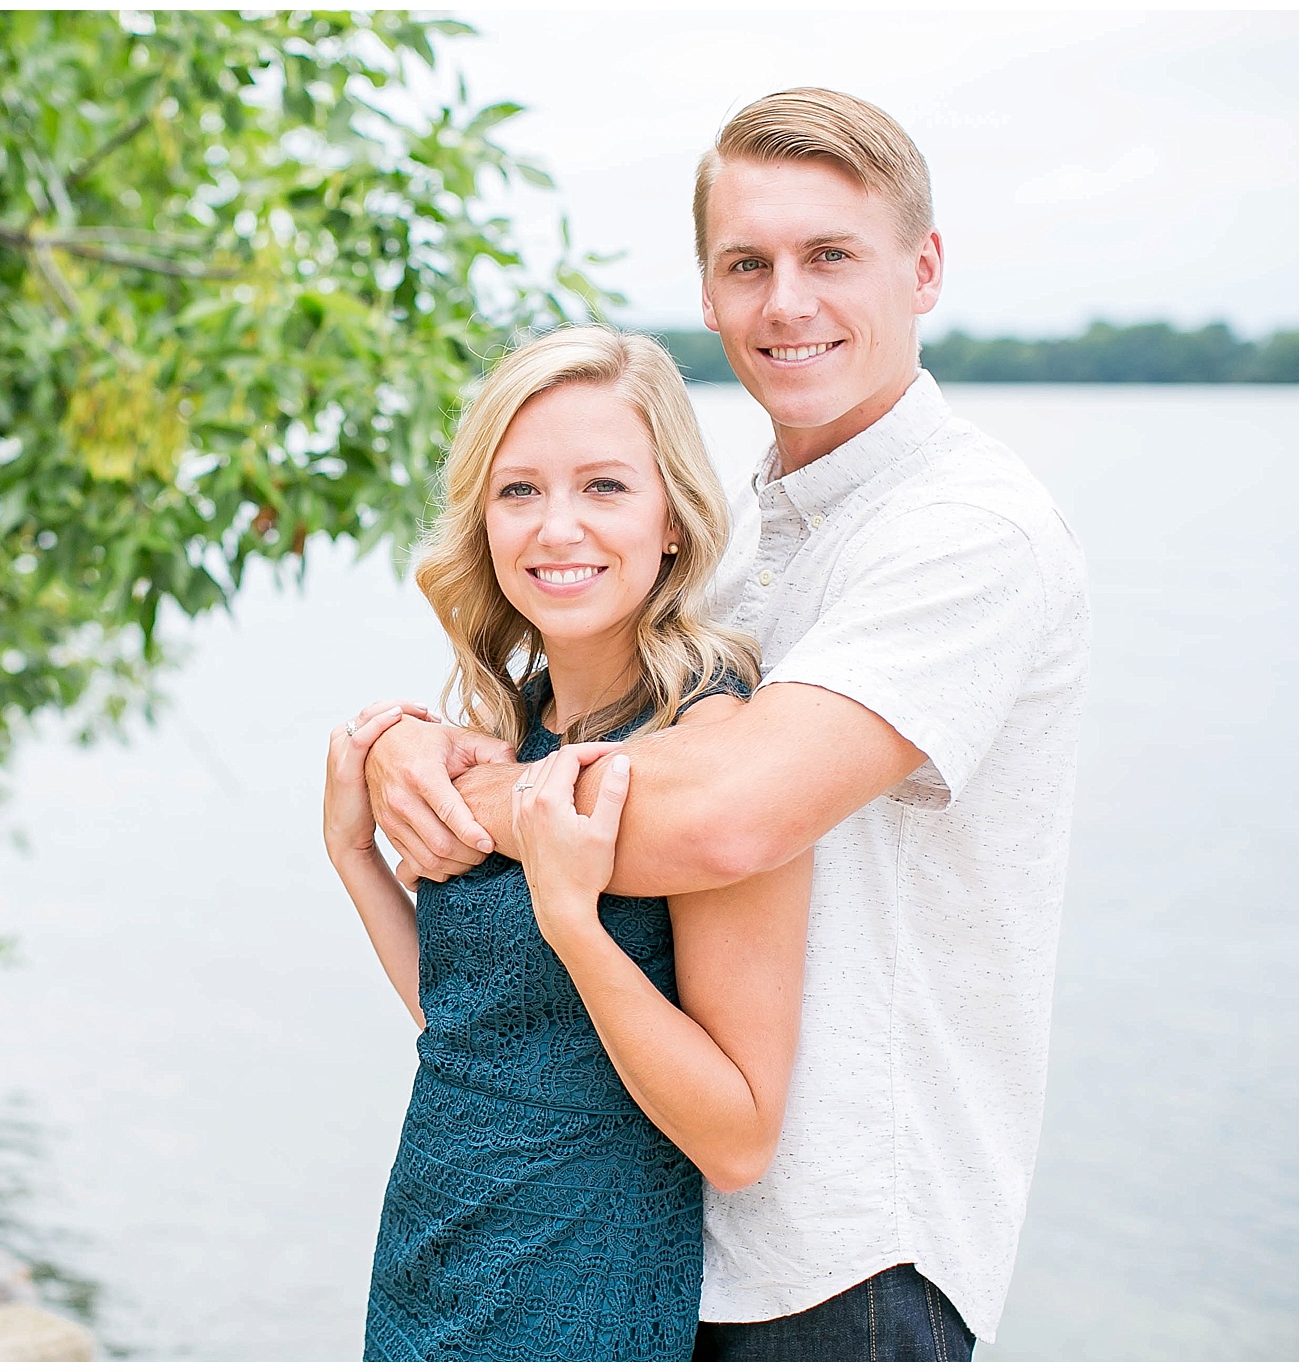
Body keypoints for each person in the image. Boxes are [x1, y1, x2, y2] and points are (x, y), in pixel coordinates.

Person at [361, 88, 1090, 1361]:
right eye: (745, 264)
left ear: (921, 269)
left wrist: (454, 795)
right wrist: (403, 747)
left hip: (847, 1255)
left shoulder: (967, 530)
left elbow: (726, 818)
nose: (785, 303)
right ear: (705, 294)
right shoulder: (740, 541)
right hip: (655, 1233)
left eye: (829, 256)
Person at [322, 326, 813, 1361]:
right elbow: (472, 1025)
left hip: (577, 1281)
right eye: (518, 491)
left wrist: (573, 925)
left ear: (672, 519)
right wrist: (357, 859)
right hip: (428, 1251)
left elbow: (737, 1137)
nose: (555, 528)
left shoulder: (711, 746)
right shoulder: (515, 722)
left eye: (601, 487)